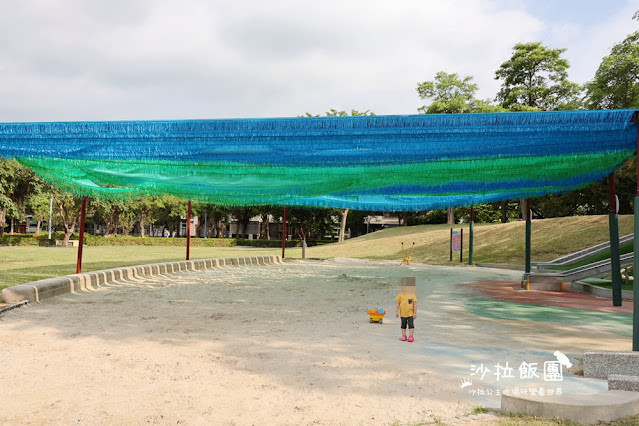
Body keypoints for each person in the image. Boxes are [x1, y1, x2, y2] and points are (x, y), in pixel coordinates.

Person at [395, 277, 417, 342]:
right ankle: (404, 335)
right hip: (403, 313)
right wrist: (397, 312)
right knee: (403, 325)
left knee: (411, 325)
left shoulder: (412, 295)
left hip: (410, 313)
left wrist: (414, 313)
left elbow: (414, 304)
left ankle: (411, 336)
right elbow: (397, 303)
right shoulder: (400, 295)